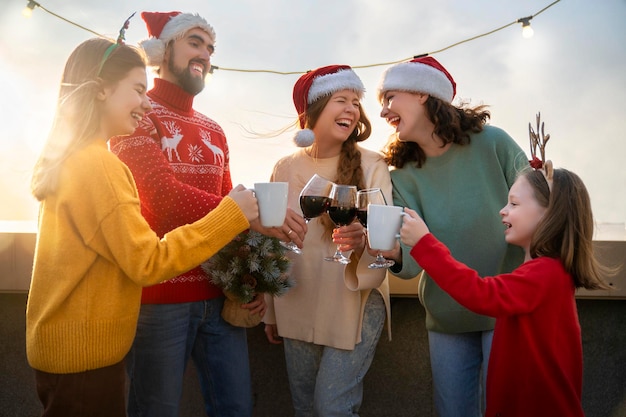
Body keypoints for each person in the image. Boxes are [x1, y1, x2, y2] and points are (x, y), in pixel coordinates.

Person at [26, 36, 258, 417]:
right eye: (137, 89)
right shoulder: (100, 166)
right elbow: (146, 262)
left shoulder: (76, 160)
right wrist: (231, 214)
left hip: (65, 355)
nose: (147, 104)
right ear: (101, 90)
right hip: (86, 361)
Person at [108, 11, 299, 417]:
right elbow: (161, 199)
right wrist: (247, 214)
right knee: (154, 410)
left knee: (236, 408)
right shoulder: (136, 116)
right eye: (195, 42)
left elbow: (227, 208)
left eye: (211, 49)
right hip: (158, 298)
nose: (206, 54)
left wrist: (249, 279)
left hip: (219, 297)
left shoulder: (215, 131)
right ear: (162, 51)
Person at [399, 152, 612, 416]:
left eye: (513, 203)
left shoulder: (544, 274)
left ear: (549, 214)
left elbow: (481, 294)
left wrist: (424, 244)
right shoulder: (547, 271)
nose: (503, 210)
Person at [377, 56, 528, 417]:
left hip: (506, 311)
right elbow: (411, 264)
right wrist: (391, 251)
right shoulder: (402, 177)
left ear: (423, 94)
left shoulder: (494, 142)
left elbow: (540, 206)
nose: (383, 112)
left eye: (389, 97)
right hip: (447, 319)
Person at [262, 65, 392, 416]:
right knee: (304, 407)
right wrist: (270, 309)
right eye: (341, 100)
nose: (351, 109)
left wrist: (363, 239)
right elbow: (274, 241)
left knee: (332, 408)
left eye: (355, 102)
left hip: (355, 301)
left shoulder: (372, 162)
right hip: (297, 299)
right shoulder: (284, 167)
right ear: (313, 110)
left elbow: (384, 230)